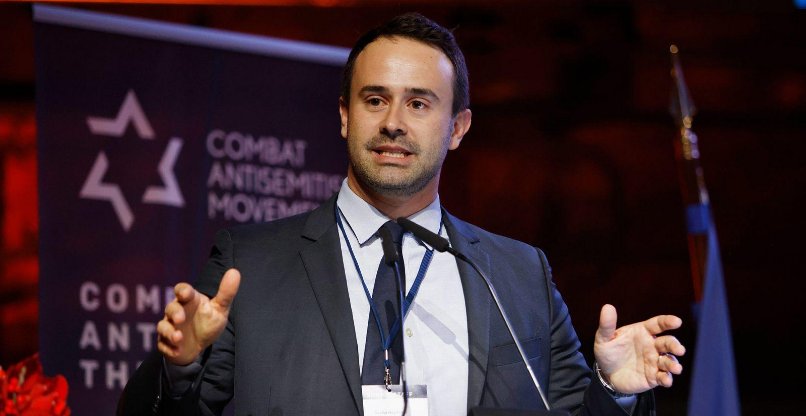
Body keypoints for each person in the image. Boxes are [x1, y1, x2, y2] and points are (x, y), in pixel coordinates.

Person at [118, 13, 684, 416]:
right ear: (345, 116)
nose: (393, 122)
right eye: (374, 100)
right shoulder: (251, 265)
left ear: (457, 128)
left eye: (418, 103)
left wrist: (614, 391)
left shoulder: (518, 275)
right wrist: (179, 367)